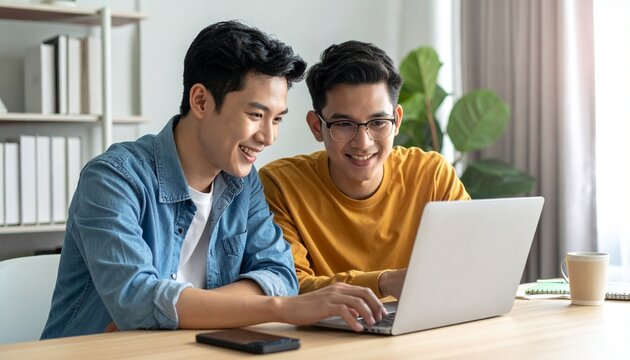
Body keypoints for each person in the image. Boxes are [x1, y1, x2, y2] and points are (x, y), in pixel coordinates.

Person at [41, 22, 386, 339]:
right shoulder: (113, 178)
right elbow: (136, 299)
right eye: (255, 115)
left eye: (277, 119)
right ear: (201, 101)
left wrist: (183, 309)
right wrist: (279, 309)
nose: (268, 137)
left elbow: (280, 275)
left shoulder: (241, 182)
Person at [259, 41, 470, 300]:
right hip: (329, 335)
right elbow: (289, 285)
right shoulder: (281, 184)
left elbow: (469, 264)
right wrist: (384, 282)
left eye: (379, 122)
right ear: (316, 126)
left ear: (397, 121)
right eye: (344, 124)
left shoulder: (432, 174)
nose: (363, 142)